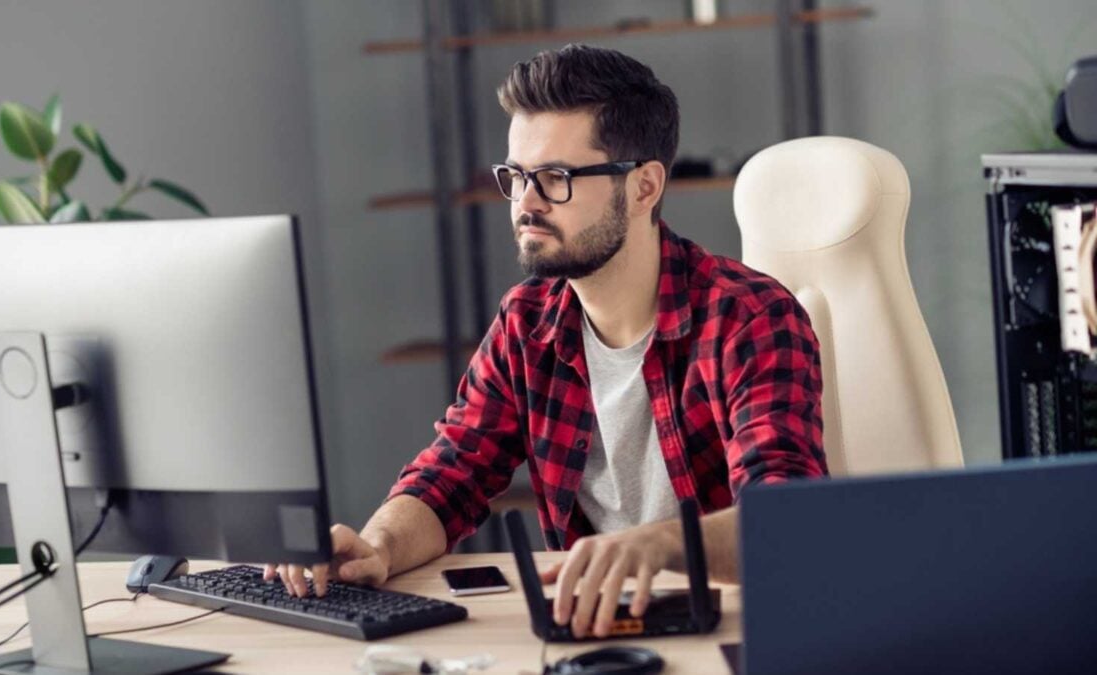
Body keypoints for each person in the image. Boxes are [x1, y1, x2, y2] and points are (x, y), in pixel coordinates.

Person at [266, 43, 827, 639]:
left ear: (643, 188)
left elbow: (789, 523)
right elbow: (452, 475)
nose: (525, 204)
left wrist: (660, 545)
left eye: (555, 178)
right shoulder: (526, 322)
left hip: (737, 635)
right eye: (516, 177)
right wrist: (377, 545)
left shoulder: (749, 318)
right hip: (595, 636)